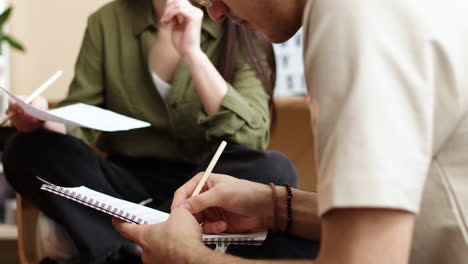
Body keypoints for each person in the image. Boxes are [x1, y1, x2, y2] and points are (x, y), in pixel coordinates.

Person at [114, 0, 468, 263]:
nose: (216, 12)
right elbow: (409, 210)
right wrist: (277, 206)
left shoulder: (352, 16)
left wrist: (186, 256)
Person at [2, 0, 316, 263]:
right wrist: (41, 118)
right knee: (25, 147)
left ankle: (121, 247)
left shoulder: (234, 13)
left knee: (272, 167)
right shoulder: (107, 21)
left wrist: (193, 53)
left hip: (208, 186)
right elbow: (79, 122)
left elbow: (252, 136)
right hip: (126, 185)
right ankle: (136, 247)